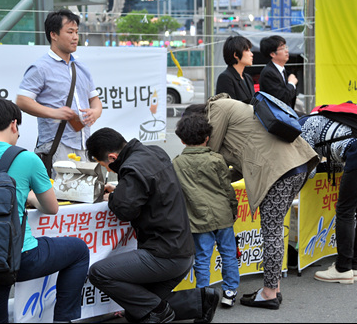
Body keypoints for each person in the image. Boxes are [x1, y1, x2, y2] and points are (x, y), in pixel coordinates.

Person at [0, 99, 89, 323]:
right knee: (79, 250)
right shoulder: (27, 158)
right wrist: (27, 196)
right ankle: (63, 319)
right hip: (21, 258)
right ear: (14, 125)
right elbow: (52, 208)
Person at [183, 94, 319, 310]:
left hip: (279, 171)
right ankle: (274, 288)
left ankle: (269, 293)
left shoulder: (217, 108)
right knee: (274, 232)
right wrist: (223, 178)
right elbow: (239, 163)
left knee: (272, 233)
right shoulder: (231, 109)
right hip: (293, 166)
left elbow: (210, 154)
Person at [86, 128, 221, 323]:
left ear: (113, 157)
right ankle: (201, 300)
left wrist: (113, 197)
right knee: (137, 311)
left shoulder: (131, 168)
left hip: (164, 255)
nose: (108, 170)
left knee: (99, 273)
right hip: (183, 251)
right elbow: (148, 189)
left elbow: (125, 210)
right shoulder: (155, 152)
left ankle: (160, 311)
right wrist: (123, 191)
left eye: (105, 165)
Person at [298, 113, 357, 284]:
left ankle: (343, 268)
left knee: (345, 211)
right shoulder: (323, 119)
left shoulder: (303, 127)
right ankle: (355, 266)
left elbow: (308, 170)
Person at [17, 9, 102, 176]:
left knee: (83, 198)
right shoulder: (40, 67)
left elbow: (95, 100)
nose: (75, 37)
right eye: (70, 32)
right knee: (61, 199)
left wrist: (95, 112)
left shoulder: (81, 67)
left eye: (77, 32)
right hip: (56, 145)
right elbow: (22, 101)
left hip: (84, 145)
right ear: (53, 35)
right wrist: (55, 113)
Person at [173, 114, 240, 308]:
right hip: (222, 214)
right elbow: (227, 188)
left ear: (182, 139)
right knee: (228, 253)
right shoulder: (216, 159)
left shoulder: (177, 163)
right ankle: (229, 292)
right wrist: (233, 208)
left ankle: (203, 295)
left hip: (197, 217)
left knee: (202, 257)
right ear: (207, 138)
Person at [259, 35, 298, 108]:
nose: (287, 51)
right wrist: (292, 83)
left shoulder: (282, 70)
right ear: (273, 54)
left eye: (286, 47)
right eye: (282, 48)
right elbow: (282, 98)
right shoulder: (269, 73)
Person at [215, 36, 255, 104]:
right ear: (236, 55)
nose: (251, 54)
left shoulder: (247, 78)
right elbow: (228, 107)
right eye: (247, 50)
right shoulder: (225, 78)